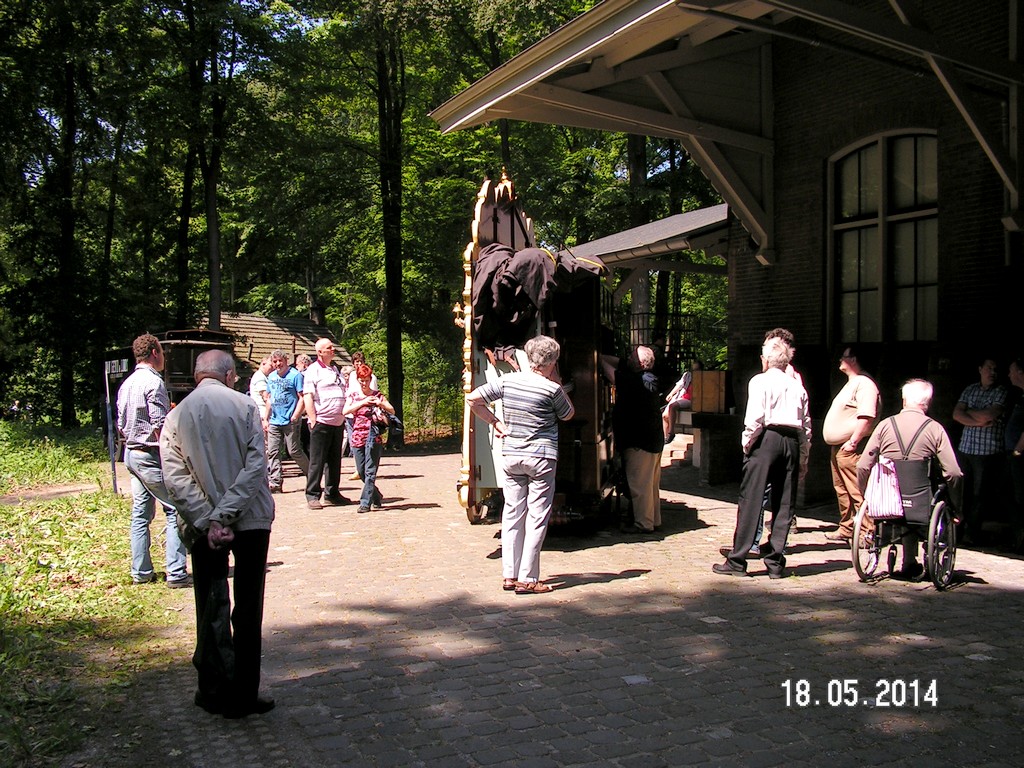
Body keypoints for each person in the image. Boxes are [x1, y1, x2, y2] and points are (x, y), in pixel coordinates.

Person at [160, 349, 275, 719]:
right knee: (248, 604)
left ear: (197, 376)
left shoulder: (176, 415)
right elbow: (256, 466)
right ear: (228, 376)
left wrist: (209, 518)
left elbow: (175, 478)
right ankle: (244, 692)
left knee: (210, 605)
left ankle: (212, 689)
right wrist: (226, 514)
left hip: (203, 524)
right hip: (251, 520)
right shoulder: (244, 408)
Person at [467, 335, 574, 594]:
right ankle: (528, 578)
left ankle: (508, 574)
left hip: (512, 455)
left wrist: (495, 423)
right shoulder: (552, 390)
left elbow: (473, 399)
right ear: (553, 362)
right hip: (541, 457)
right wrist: (557, 381)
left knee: (512, 513)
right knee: (537, 516)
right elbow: (568, 414)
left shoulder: (508, 381)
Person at [713, 337, 810, 578]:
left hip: (766, 438)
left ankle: (738, 560)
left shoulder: (759, 381)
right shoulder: (797, 386)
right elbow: (806, 425)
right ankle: (776, 562)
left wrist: (747, 443)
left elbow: (754, 417)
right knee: (784, 503)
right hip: (792, 441)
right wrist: (804, 455)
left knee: (751, 499)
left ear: (765, 360)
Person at [857, 379, 963, 578]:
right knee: (928, 495)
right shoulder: (934, 429)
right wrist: (956, 506)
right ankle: (914, 560)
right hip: (921, 501)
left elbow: (863, 465)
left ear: (904, 400)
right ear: (927, 403)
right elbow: (954, 472)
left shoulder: (885, 426)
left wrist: (865, 495)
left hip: (886, 499)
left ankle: (908, 561)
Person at [115, 333, 191, 588]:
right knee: (176, 509)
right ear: (155, 353)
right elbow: (160, 426)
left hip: (131, 453)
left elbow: (121, 423)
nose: (165, 358)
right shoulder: (154, 383)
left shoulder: (127, 383)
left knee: (140, 514)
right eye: (162, 352)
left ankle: (141, 572)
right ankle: (177, 572)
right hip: (149, 455)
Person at [601, 345, 665, 534]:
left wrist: (596, 357)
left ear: (638, 363)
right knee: (651, 484)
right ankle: (654, 519)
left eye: (631, 357)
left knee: (639, 485)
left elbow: (610, 371)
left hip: (639, 441)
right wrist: (614, 358)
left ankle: (643, 524)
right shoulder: (649, 378)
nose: (627, 358)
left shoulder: (634, 382)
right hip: (653, 439)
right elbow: (619, 363)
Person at [822, 344, 881, 542]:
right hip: (840, 446)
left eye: (844, 356)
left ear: (853, 360)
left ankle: (867, 531)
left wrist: (853, 442)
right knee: (842, 489)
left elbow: (867, 416)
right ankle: (847, 527)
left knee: (856, 489)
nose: (840, 359)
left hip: (850, 447)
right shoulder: (853, 382)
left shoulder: (865, 384)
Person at [953, 356, 1007, 544]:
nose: (992, 372)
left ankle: (971, 533)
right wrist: (979, 419)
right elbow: (957, 414)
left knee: (979, 495)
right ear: (980, 369)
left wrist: (970, 414)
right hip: (966, 448)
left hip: (987, 451)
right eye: (989, 368)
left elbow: (991, 414)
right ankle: (957, 530)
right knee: (962, 493)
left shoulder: (1000, 391)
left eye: (995, 369)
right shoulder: (971, 389)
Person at [303, 338, 352, 509]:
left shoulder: (335, 370)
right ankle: (312, 494)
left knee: (334, 459)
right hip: (321, 421)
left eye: (333, 347)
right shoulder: (312, 371)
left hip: (338, 421)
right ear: (320, 352)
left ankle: (332, 493)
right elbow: (308, 396)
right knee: (317, 460)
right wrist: (313, 418)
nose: (333, 349)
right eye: (329, 348)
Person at [343, 363, 395, 513]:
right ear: (357, 380)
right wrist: (361, 403)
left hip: (373, 437)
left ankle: (365, 502)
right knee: (361, 471)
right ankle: (376, 495)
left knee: (370, 471)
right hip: (358, 436)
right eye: (361, 380)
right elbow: (345, 410)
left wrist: (380, 404)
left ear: (370, 379)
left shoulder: (377, 395)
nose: (364, 383)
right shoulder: (353, 395)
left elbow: (392, 410)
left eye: (366, 380)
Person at [263, 349, 310, 493]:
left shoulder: (295, 375)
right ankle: (275, 482)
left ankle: (312, 474)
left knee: (294, 450)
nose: (278, 364)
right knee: (273, 451)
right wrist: (266, 418)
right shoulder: (271, 377)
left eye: (280, 361)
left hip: (291, 420)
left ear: (286, 361)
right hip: (275, 421)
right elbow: (270, 399)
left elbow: (302, 397)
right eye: (275, 361)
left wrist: (296, 415)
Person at [662, 360, 701, 444]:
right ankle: (665, 438)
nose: (694, 371)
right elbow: (679, 385)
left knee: (672, 406)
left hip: (690, 400)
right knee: (664, 415)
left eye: (696, 369)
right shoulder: (687, 375)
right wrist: (671, 394)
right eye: (693, 369)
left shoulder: (702, 377)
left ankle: (671, 432)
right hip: (680, 397)